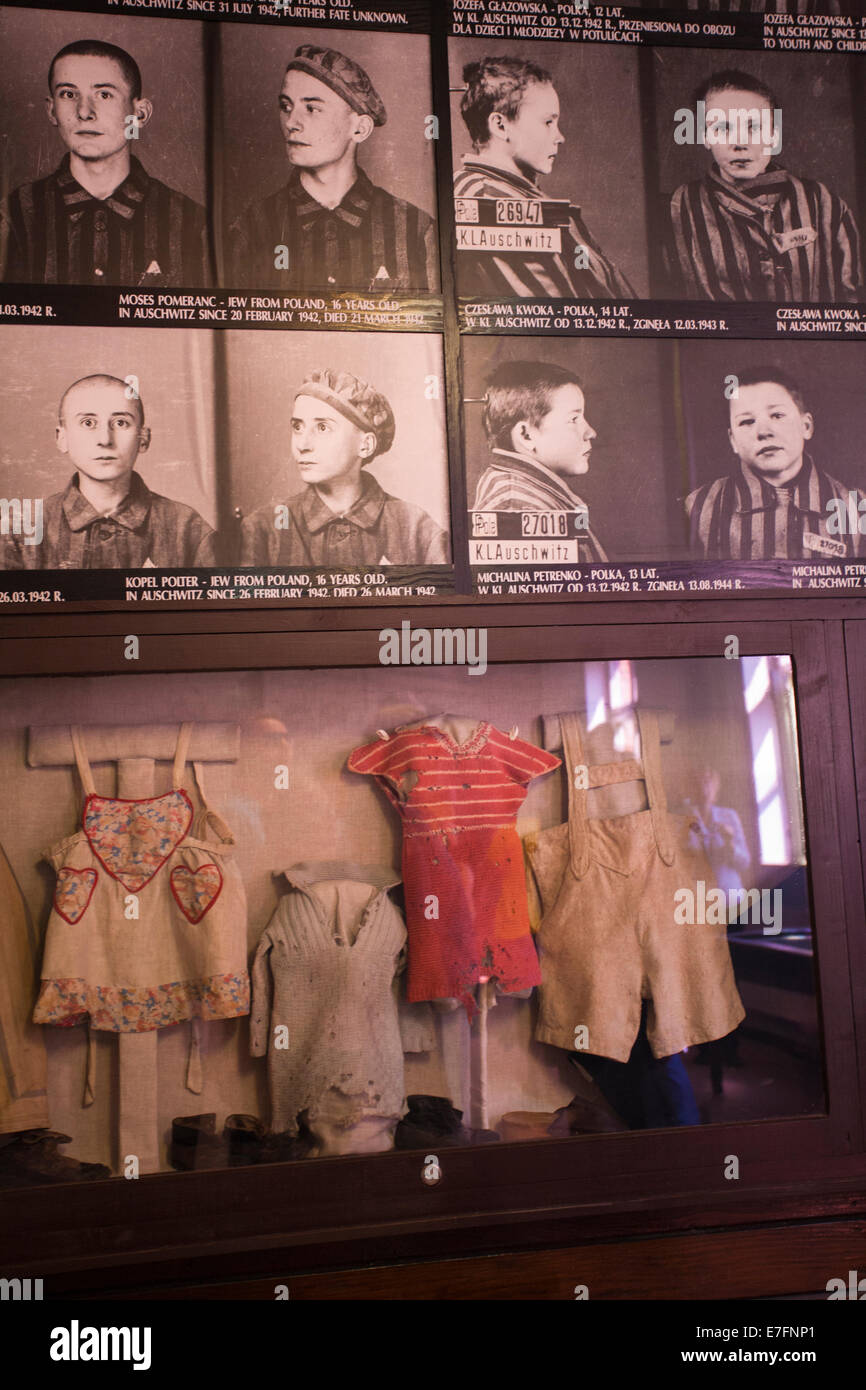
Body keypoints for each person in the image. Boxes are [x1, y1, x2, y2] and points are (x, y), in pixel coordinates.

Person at [227, 45, 438, 292]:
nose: (291, 123)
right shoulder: (250, 229)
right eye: (286, 107)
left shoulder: (415, 230)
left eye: (312, 109)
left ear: (360, 129)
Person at [1, 39, 211, 287]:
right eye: (68, 94)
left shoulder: (191, 222)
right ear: (51, 111)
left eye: (104, 94)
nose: (84, 112)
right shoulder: (14, 215)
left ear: (139, 114)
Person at [667, 68, 862, 301]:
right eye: (722, 128)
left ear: (774, 136)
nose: (740, 143)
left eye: (754, 127)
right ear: (706, 137)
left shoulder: (822, 201)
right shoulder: (684, 205)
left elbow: (855, 302)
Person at [453, 55, 633, 299]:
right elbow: (557, 321)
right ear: (500, 126)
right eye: (548, 122)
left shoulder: (515, 194)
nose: (559, 137)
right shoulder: (488, 201)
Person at [0, 374, 216, 569]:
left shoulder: (186, 528)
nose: (105, 439)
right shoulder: (20, 531)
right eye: (88, 423)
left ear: (143, 438)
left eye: (121, 423)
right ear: (62, 438)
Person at [239, 367, 448, 567]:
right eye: (297, 427)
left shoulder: (416, 528)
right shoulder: (262, 529)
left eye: (322, 427)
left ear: (365, 445)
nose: (302, 445)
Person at [685, 365, 863, 560]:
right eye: (747, 421)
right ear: (733, 440)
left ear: (806, 426)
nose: (763, 432)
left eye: (777, 416)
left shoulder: (855, 506)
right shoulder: (698, 507)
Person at [471, 359, 608, 561]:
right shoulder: (517, 510)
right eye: (573, 419)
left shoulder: (523, 492)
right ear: (526, 435)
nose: (591, 432)